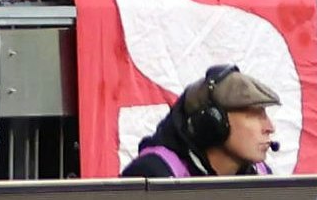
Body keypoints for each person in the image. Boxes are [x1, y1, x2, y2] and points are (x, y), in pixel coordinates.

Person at [120, 66, 280, 176]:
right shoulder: (153, 174)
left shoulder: (260, 175)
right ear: (213, 123)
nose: (269, 128)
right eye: (254, 116)